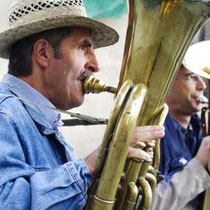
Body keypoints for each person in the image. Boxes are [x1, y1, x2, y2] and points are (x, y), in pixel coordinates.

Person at [0, 0, 165, 209]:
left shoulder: (39, 118)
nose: (96, 65)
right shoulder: (4, 114)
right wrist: (89, 166)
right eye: (83, 48)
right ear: (43, 53)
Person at [152, 41, 210, 210]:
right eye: (192, 77)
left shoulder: (200, 129)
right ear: (167, 81)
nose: (203, 86)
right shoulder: (151, 132)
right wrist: (199, 165)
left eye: (202, 78)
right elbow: (149, 205)